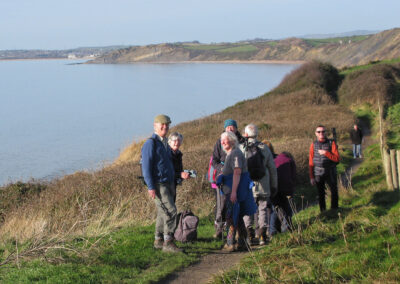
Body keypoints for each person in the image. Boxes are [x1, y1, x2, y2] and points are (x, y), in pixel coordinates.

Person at [141, 114, 181, 253]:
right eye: (162, 125)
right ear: (155, 125)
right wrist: (151, 187)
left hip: (168, 182)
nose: (165, 127)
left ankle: (158, 240)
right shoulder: (150, 144)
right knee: (171, 211)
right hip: (159, 184)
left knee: (162, 212)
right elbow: (146, 167)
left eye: (167, 125)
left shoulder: (164, 142)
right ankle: (168, 243)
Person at [216, 131, 257, 252]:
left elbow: (237, 172)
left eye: (225, 139)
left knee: (230, 217)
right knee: (237, 216)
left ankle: (230, 243)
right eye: (221, 140)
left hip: (235, 190)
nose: (222, 142)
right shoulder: (231, 153)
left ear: (232, 141)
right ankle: (243, 242)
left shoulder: (235, 153)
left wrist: (233, 192)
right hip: (232, 189)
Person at [240, 124, 277, 245]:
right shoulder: (264, 148)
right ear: (257, 134)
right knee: (262, 209)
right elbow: (272, 168)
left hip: (247, 184)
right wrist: (274, 185)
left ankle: (249, 235)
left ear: (245, 134)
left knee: (247, 210)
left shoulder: (241, 148)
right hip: (263, 184)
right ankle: (262, 235)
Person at [211, 119, 245, 239]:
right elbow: (214, 160)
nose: (230, 129)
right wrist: (222, 168)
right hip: (223, 179)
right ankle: (222, 230)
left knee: (236, 208)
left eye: (232, 127)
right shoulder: (219, 142)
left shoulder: (241, 144)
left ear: (236, 129)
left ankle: (237, 238)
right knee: (222, 206)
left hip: (238, 179)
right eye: (228, 127)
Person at [309, 125, 340, 212]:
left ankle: (334, 210)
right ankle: (323, 212)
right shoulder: (313, 145)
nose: (321, 133)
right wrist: (311, 177)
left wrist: (326, 153)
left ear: (326, 133)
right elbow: (311, 162)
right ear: (316, 133)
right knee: (321, 194)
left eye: (323, 131)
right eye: (319, 132)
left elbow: (337, 159)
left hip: (330, 171)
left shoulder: (331, 143)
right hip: (318, 172)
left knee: (334, 191)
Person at [269, 148, 297, 236]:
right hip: (287, 188)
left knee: (276, 208)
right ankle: (287, 226)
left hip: (274, 187)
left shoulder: (274, 160)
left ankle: (272, 230)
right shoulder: (290, 160)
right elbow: (293, 175)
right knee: (287, 207)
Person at [168, 132, 190, 202]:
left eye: (179, 140)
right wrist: (180, 174)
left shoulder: (178, 154)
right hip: (166, 184)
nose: (177, 143)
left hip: (173, 183)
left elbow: (178, 169)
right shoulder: (166, 154)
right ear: (169, 142)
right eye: (174, 141)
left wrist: (184, 174)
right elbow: (167, 171)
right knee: (169, 207)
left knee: (172, 204)